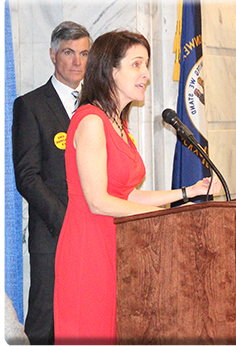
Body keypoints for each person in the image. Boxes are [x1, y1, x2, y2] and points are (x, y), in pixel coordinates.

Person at [53, 30, 221, 345]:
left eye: (146, 65)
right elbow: (99, 201)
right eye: (136, 64)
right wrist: (165, 216)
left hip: (121, 245)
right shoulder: (90, 121)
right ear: (110, 70)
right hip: (89, 249)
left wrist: (187, 193)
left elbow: (127, 194)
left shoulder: (119, 124)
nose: (145, 74)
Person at [12, 21, 91, 345]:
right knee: (46, 317)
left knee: (88, 314)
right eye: (69, 53)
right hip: (52, 230)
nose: (77, 62)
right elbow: (27, 177)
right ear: (52, 55)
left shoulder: (95, 107)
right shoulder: (30, 105)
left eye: (84, 53)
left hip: (94, 227)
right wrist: (65, 220)